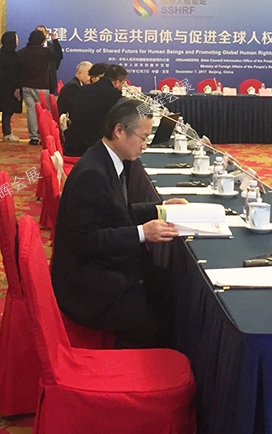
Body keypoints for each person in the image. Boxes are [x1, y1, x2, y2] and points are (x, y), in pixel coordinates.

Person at [51, 98, 185, 347]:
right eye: (142, 137)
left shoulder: (108, 159)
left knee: (168, 287)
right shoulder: (92, 173)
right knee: (161, 310)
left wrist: (160, 208)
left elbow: (116, 212)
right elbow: (85, 241)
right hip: (88, 284)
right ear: (119, 130)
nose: (145, 145)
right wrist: (142, 233)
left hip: (103, 264)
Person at [63, 64, 127, 157]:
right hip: (91, 149)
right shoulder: (114, 95)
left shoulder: (84, 89)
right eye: (122, 84)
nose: (122, 88)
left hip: (74, 143)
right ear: (117, 83)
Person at [16, 29, 51, 145]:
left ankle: (34, 137)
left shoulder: (21, 53)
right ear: (42, 40)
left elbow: (18, 72)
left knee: (31, 111)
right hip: (42, 86)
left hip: (26, 85)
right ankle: (44, 134)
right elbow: (59, 56)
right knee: (44, 112)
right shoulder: (46, 52)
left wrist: (18, 86)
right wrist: (55, 41)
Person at [0, 31, 22, 142]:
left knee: (6, 110)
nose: (17, 41)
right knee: (8, 110)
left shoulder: (0, 54)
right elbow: (15, 73)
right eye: (16, 38)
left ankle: (7, 132)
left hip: (3, 86)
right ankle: (7, 133)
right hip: (10, 86)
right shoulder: (12, 56)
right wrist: (17, 87)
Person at [37, 25, 64, 95]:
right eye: (38, 32)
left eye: (42, 32)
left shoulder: (52, 46)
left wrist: (53, 68)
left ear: (46, 33)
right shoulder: (33, 48)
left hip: (50, 80)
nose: (40, 34)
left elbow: (58, 58)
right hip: (36, 82)